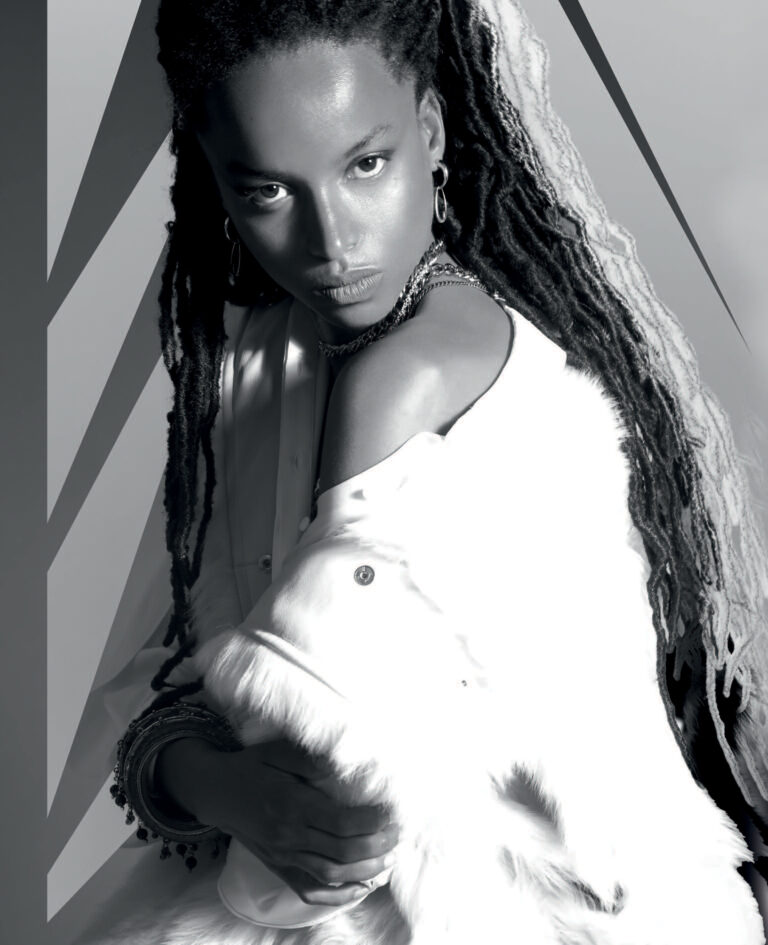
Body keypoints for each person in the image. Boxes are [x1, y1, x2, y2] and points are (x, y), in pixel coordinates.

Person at [87, 0, 768, 942]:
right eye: (268, 190)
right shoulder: (244, 372)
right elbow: (157, 678)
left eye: (366, 165)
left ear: (433, 131)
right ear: (214, 176)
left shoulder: (460, 379)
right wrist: (214, 782)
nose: (331, 240)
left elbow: (320, 822)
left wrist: (246, 789)